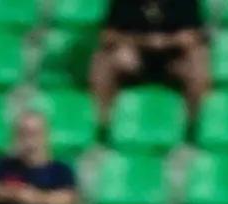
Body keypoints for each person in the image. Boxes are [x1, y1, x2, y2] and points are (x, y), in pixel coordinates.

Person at [90, 0, 210, 130]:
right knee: (105, 60)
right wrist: (139, 41)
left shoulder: (185, 3)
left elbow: (196, 35)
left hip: (173, 57)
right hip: (135, 55)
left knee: (198, 59)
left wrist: (170, 41)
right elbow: (107, 35)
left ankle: (195, 126)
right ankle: (102, 125)